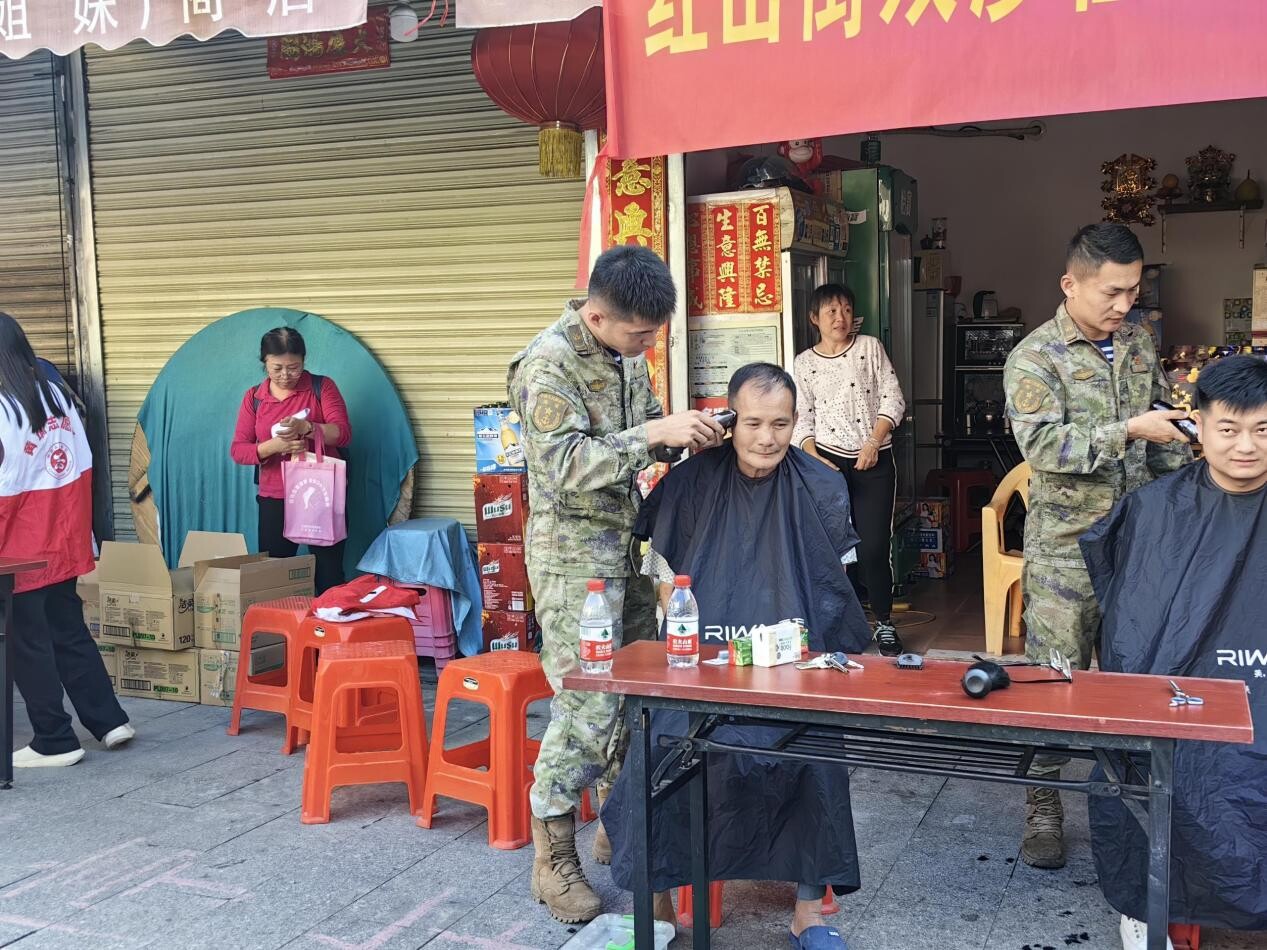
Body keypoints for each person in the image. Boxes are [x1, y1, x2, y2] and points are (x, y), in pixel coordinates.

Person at [606, 362, 873, 950]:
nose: (767, 438)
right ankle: (657, 910)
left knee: (817, 752)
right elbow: (663, 582)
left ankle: (808, 913)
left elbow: (833, 593)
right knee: (660, 748)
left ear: (797, 421)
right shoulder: (692, 482)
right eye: (752, 423)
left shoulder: (821, 486)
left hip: (794, 668)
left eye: (780, 424)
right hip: (702, 665)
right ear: (730, 420)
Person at [507, 244, 726, 925]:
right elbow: (565, 466)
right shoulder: (546, 364)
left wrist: (684, 435)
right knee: (587, 705)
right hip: (574, 566)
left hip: (625, 552)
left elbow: (643, 432)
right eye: (639, 335)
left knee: (634, 694)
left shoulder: (625, 351)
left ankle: (618, 822)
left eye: (653, 335)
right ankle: (552, 857)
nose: (647, 346)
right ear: (597, 315)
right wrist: (650, 433)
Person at [1003, 222, 1191, 870]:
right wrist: (1126, 430)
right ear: (1070, 284)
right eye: (1112, 292)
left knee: (1133, 673)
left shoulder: (1138, 341)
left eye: (1132, 291)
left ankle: (1130, 797)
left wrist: (1187, 474)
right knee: (1052, 679)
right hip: (1066, 549)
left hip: (1135, 545)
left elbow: (1158, 428)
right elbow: (1043, 448)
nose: (1124, 305)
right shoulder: (1035, 357)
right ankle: (1043, 805)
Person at [1081, 355, 1267, 950]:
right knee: (1144, 764)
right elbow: (1130, 629)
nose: (1246, 446)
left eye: (1263, 429)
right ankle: (1153, 910)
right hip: (1178, 697)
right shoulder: (1155, 510)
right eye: (1229, 429)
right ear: (1199, 426)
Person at [0, 312, 133, 767]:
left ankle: (54, 740)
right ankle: (109, 720)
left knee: (28, 644)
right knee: (69, 631)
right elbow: (81, 466)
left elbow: (6, 490)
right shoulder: (55, 394)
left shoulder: (3, 407)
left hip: (18, 547)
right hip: (63, 536)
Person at [794, 283, 907, 656]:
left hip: (873, 458)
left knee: (873, 546)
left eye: (845, 309)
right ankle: (839, 623)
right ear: (815, 319)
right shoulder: (804, 363)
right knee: (833, 548)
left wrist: (873, 442)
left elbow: (893, 397)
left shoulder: (869, 348)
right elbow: (802, 415)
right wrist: (814, 457)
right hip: (827, 463)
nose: (839, 318)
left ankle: (884, 623)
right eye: (831, 311)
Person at [230, 328, 352, 594]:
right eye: (277, 368)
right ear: (264, 362)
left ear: (304, 361)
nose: (285, 375)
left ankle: (329, 620)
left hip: (322, 494)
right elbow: (238, 450)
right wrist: (274, 446)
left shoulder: (321, 387)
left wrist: (308, 428)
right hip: (275, 498)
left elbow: (343, 434)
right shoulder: (254, 397)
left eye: (294, 367)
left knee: (329, 574)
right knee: (274, 577)